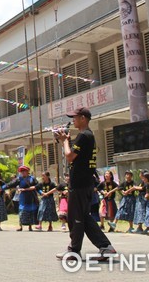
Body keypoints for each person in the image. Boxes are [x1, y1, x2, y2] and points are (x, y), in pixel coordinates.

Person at [54, 107, 115, 262]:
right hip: (85, 183)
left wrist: (64, 141)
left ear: (83, 118)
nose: (73, 120)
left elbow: (69, 156)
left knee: (76, 218)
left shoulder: (83, 136)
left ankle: (75, 251)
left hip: (80, 184)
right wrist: (66, 140)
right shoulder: (88, 136)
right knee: (82, 218)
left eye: (74, 117)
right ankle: (103, 247)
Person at [4, 165, 38, 231]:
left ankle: (30, 226)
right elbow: (10, 184)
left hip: (31, 197)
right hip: (23, 197)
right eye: (21, 171)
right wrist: (2, 187)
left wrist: (41, 192)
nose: (22, 172)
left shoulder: (32, 178)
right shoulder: (19, 179)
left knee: (30, 211)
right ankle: (21, 226)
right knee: (22, 211)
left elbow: (38, 186)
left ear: (27, 171)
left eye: (24, 171)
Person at [132, 169, 148, 233]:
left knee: (144, 212)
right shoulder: (142, 182)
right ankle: (139, 227)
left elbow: (143, 188)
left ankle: (147, 227)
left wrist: (135, 188)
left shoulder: (147, 182)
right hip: (140, 199)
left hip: (144, 198)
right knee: (139, 212)